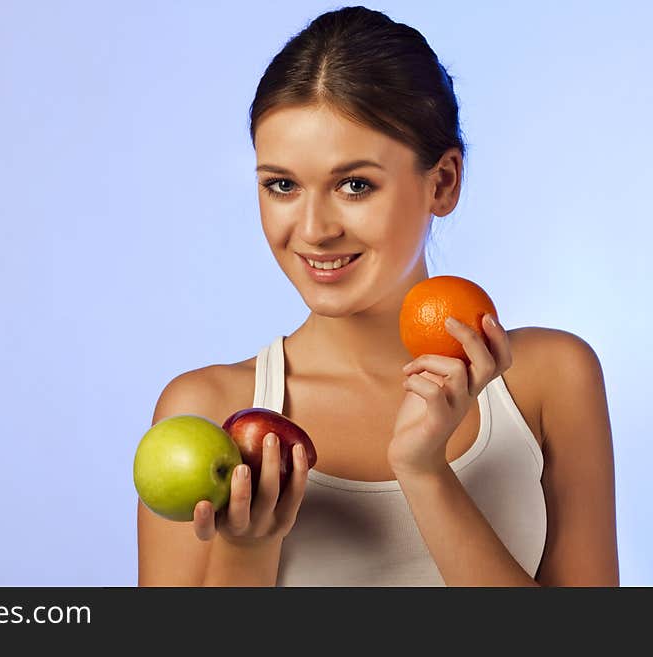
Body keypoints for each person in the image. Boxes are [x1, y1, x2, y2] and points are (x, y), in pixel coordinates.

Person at [137, 5, 619, 586]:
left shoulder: (549, 380)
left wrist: (424, 472)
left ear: (442, 182)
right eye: (282, 185)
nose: (314, 228)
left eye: (354, 185)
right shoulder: (206, 407)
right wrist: (247, 550)